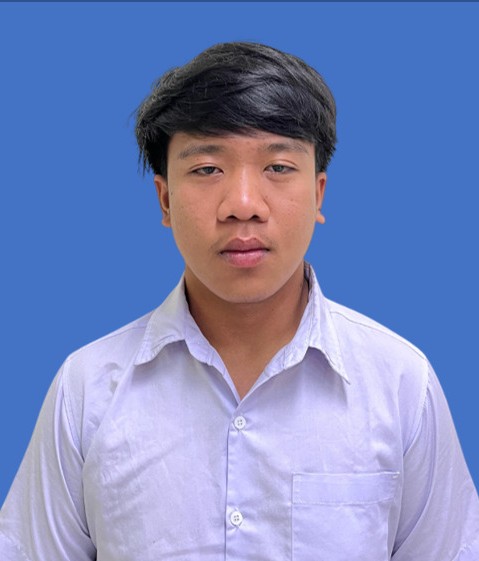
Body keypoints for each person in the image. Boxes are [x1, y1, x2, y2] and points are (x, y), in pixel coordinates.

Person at [1, 41, 478, 561]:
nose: (243, 205)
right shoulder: (88, 389)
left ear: (319, 193)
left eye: (278, 166)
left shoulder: (400, 383)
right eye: (208, 168)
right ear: (165, 199)